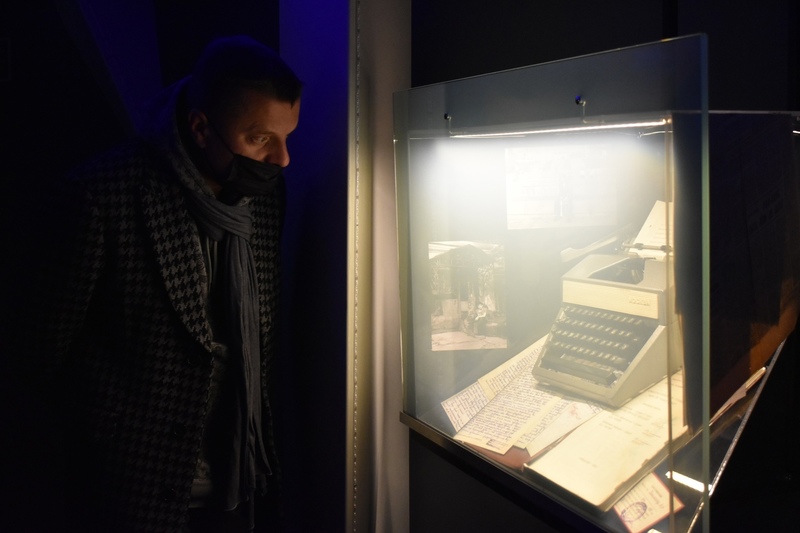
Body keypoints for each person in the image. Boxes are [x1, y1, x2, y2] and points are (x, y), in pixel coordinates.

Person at [1, 35, 302, 532]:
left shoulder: (265, 199)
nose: (282, 159)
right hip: (128, 495)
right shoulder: (101, 198)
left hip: (239, 486)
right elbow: (33, 360)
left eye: (287, 136)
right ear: (200, 128)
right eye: (260, 138)